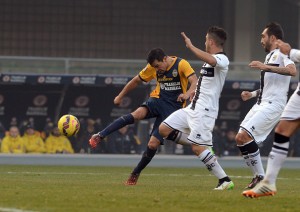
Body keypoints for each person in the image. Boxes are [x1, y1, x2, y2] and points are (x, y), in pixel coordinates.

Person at [89, 48, 198, 185]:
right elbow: (135, 81)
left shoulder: (181, 64)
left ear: (165, 59)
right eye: (154, 67)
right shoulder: (153, 67)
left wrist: (187, 94)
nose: (156, 70)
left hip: (173, 108)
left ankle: (135, 173)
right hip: (157, 100)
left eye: (157, 66)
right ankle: (100, 135)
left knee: (152, 144)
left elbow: (195, 81)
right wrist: (120, 96)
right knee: (136, 114)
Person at [159, 26, 234, 190]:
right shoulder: (208, 62)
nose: (205, 42)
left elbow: (213, 60)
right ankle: (204, 146)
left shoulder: (222, 59)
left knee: (196, 147)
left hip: (205, 110)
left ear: (211, 41)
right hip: (193, 107)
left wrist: (191, 46)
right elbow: (201, 83)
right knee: (164, 128)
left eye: (206, 39)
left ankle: (225, 180)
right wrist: (188, 93)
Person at [235, 22, 297, 189]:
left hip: (274, 105)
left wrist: (265, 67)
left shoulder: (282, 53)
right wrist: (252, 94)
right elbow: (269, 85)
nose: (261, 40)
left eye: (263, 36)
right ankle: (257, 176)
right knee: (239, 138)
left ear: (273, 38)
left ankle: (261, 177)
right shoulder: (270, 56)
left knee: (246, 136)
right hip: (260, 102)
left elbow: (292, 71)